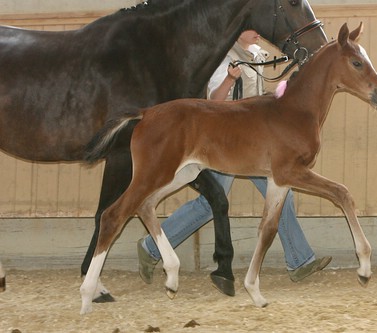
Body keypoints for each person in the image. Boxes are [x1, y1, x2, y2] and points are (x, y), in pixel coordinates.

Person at [137, 30, 331, 295]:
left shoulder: (257, 55)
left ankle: (299, 261)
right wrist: (229, 78)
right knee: (209, 204)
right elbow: (214, 101)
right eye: (251, 28)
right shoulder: (224, 56)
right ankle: (150, 247)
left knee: (282, 195)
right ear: (239, 30)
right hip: (226, 139)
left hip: (258, 139)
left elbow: (262, 98)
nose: (257, 33)